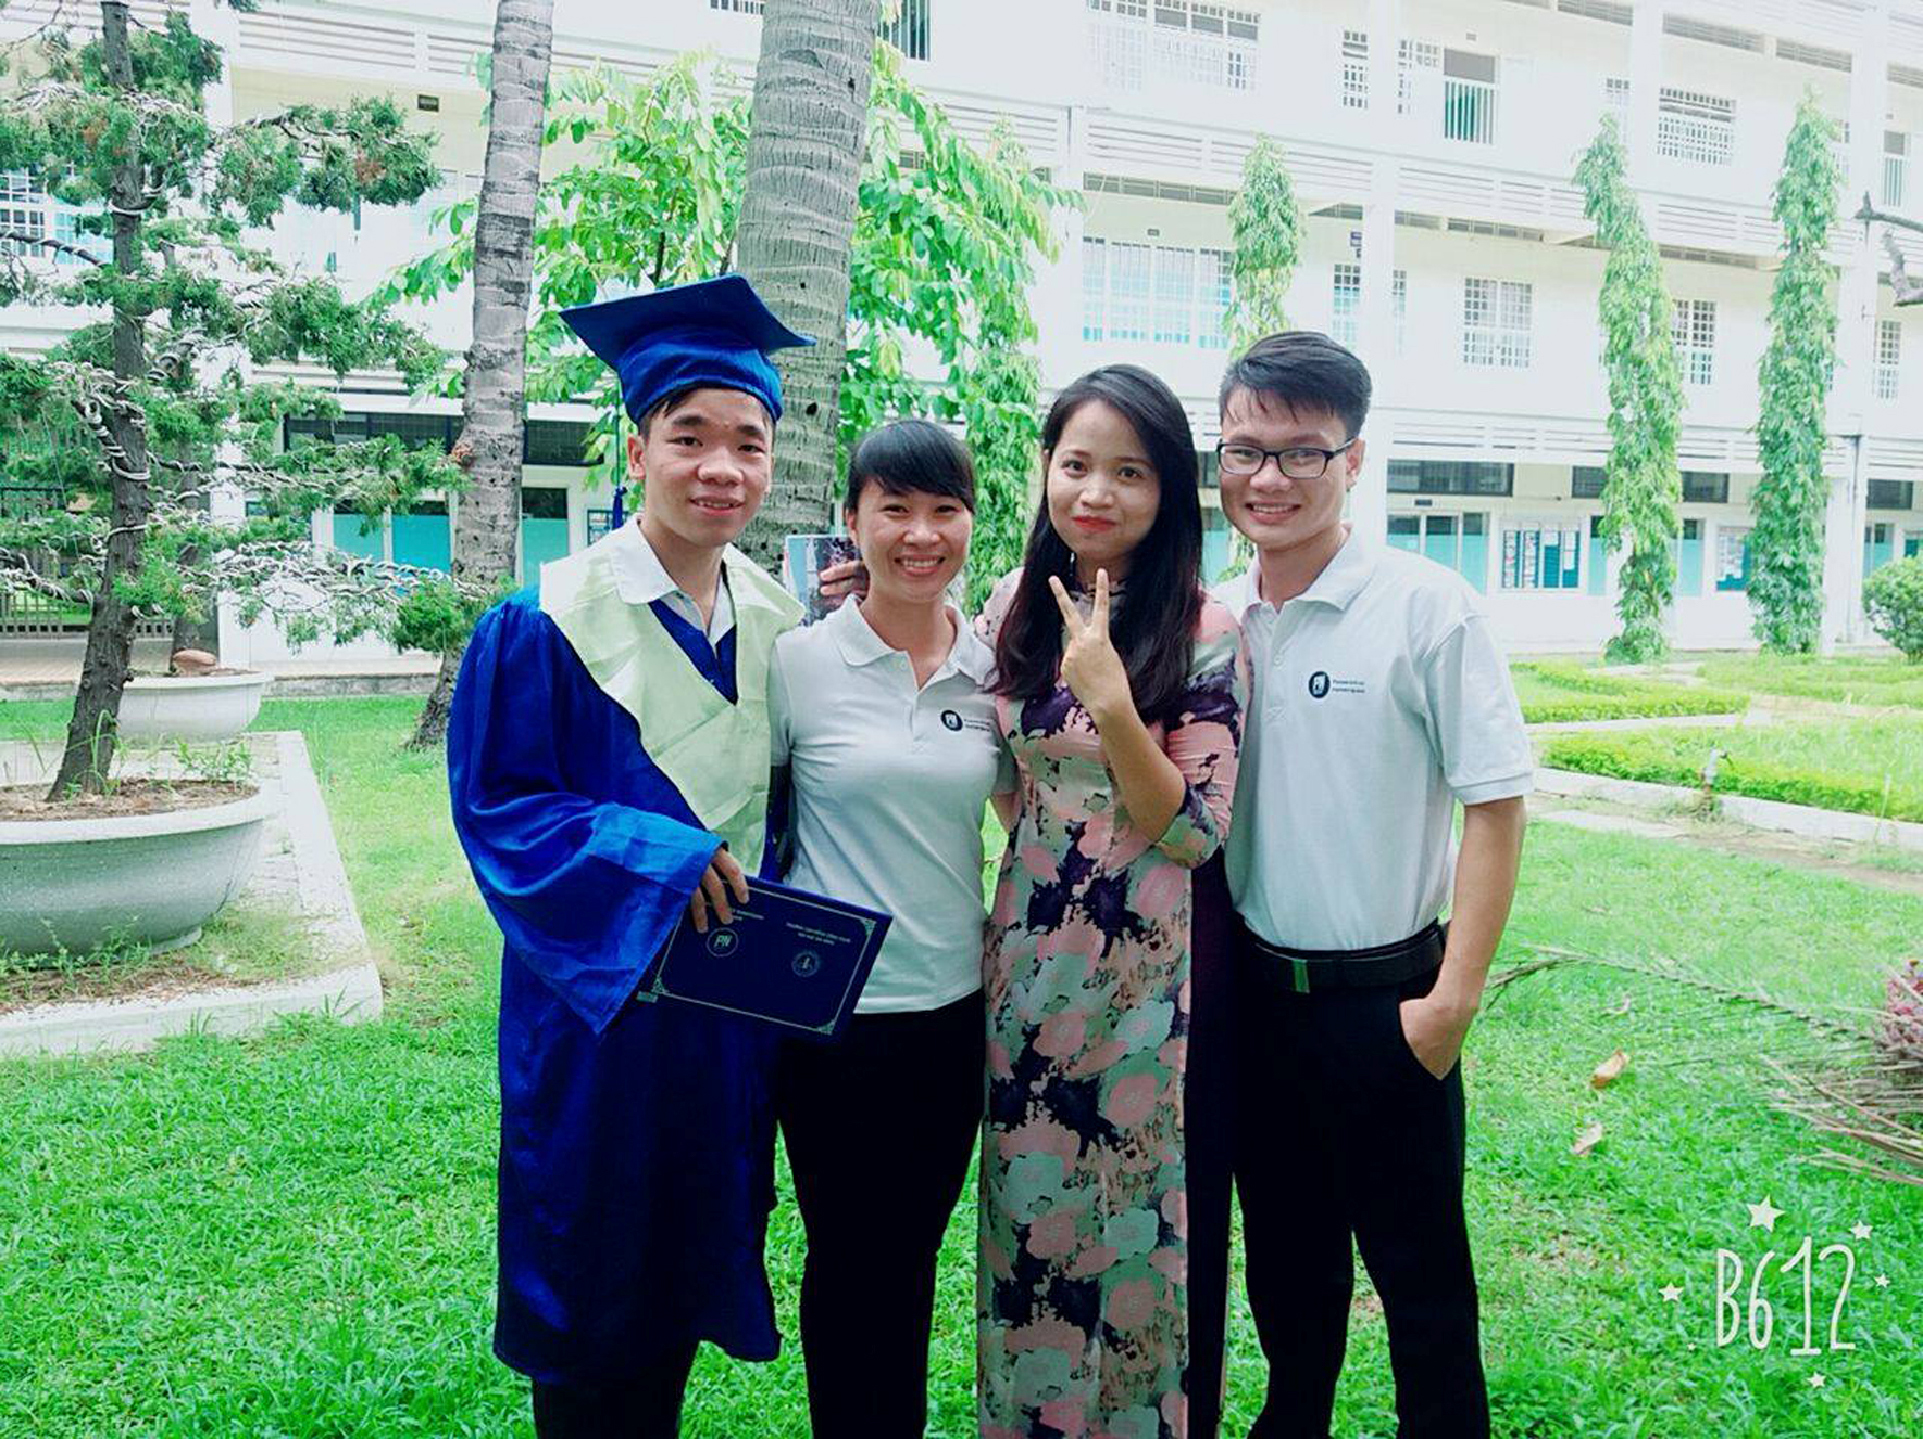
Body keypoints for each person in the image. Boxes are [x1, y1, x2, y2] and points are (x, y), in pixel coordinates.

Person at [446, 274, 811, 1439]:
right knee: (596, 1282)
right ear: (640, 445)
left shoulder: (776, 619)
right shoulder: (544, 620)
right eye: (690, 436)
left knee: (690, 1259)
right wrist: (650, 852)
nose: (722, 468)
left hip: (725, 1020)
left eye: (747, 442)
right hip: (598, 1023)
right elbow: (499, 808)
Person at [1210, 331, 1532, 1439]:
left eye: (1301, 452)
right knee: (1289, 1266)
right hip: (1253, 997)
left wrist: (1452, 1004)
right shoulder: (1212, 616)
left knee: (1421, 1279)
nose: (1268, 478)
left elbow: (1495, 802)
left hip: (1387, 1002)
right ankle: (1293, 1417)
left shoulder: (1425, 606)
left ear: (1353, 460)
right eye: (1245, 449)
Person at [975, 364, 1248, 1439]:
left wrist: (1113, 702)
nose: (1096, 491)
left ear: (1170, 490)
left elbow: (1193, 830)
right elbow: (1006, 777)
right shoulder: (1012, 604)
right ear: (1045, 469)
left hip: (1149, 976)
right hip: (1027, 960)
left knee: (1135, 1222)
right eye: (1076, 463)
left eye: (1129, 472)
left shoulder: (1205, 625)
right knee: (1027, 1217)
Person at [767, 418, 1015, 1439]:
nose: (921, 533)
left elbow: (1030, 817)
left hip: (954, 1012)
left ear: (970, 521)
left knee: (911, 1256)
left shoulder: (995, 670)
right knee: (847, 1257)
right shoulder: (795, 663)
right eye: (894, 509)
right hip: (831, 1021)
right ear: (853, 520)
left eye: (944, 508)